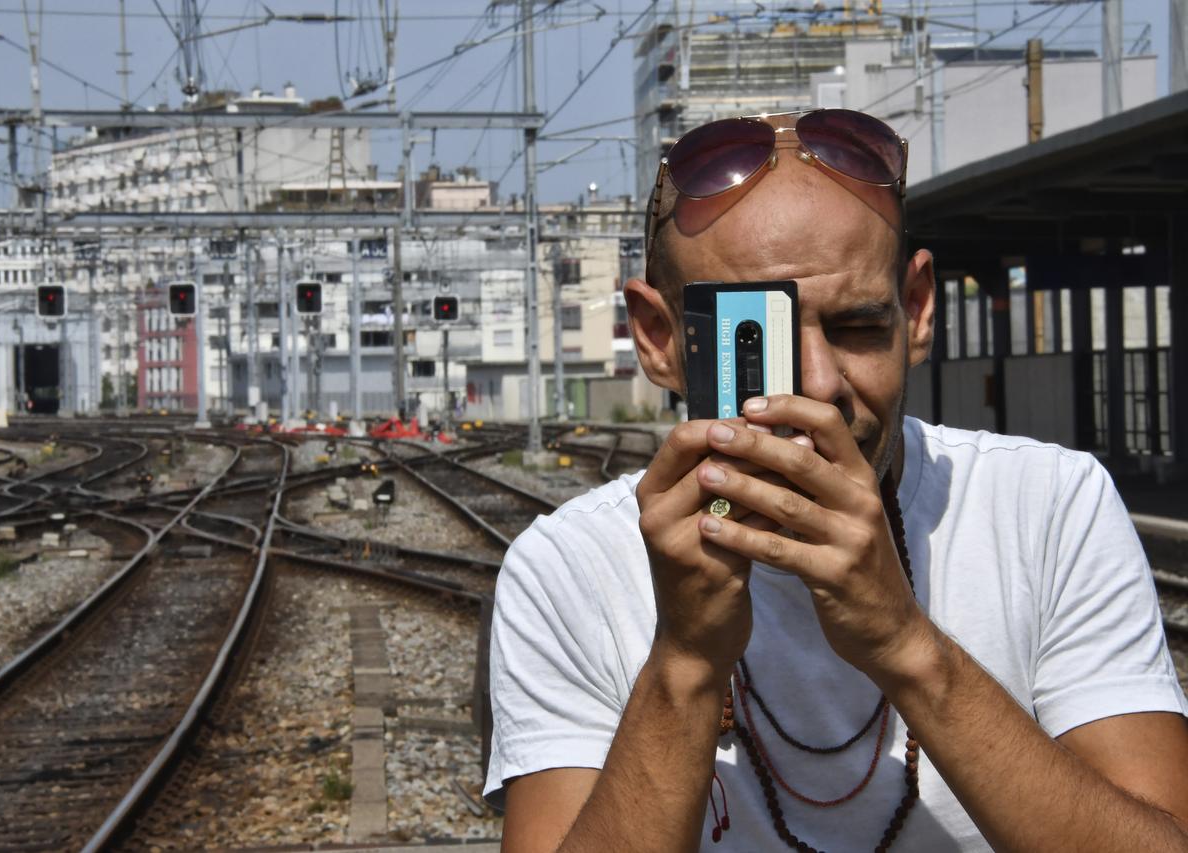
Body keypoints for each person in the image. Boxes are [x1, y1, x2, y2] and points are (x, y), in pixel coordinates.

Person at [482, 108, 1188, 851]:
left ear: (916, 312)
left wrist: (907, 643)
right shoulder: (566, 568)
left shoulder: (1050, 509)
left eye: (856, 327)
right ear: (660, 340)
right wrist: (686, 661)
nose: (818, 385)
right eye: (759, 340)